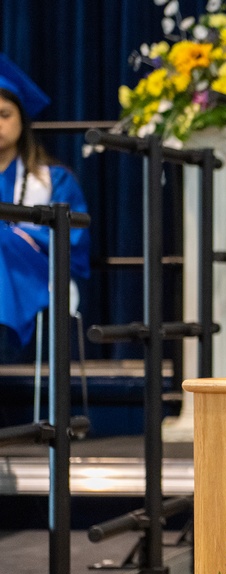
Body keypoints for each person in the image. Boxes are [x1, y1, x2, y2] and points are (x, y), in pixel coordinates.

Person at [0, 53, 90, 362]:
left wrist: (17, 238)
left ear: (22, 120)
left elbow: (73, 245)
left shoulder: (55, 180)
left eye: (4, 114)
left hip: (38, 274)